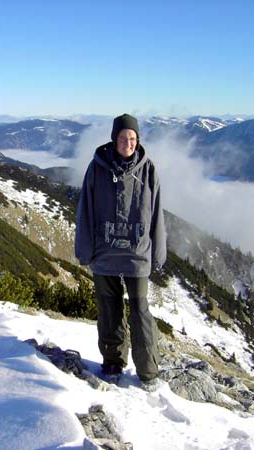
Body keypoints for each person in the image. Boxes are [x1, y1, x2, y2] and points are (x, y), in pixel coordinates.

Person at [75, 113, 166, 388]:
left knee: (140, 311)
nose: (128, 142)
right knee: (109, 310)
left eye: (133, 138)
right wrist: (85, 250)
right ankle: (113, 363)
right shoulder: (96, 168)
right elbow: (86, 211)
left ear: (137, 141)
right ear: (114, 140)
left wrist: (158, 252)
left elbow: (157, 213)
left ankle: (148, 372)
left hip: (137, 254)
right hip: (104, 253)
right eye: (124, 138)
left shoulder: (148, 169)